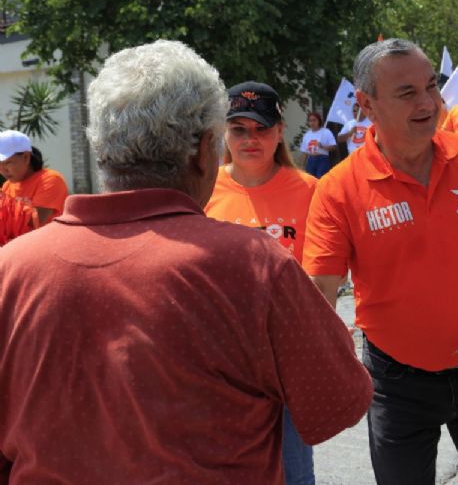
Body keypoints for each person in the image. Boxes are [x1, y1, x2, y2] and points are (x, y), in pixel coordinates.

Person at [0, 40, 372, 484]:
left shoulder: (10, 270)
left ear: (100, 147)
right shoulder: (253, 264)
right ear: (205, 150)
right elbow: (336, 401)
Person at [303, 38, 458, 485]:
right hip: (396, 383)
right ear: (366, 104)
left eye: (432, 87)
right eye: (407, 93)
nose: (428, 103)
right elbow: (319, 289)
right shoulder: (339, 188)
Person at [203, 80, 321, 484]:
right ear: (224, 133)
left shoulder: (310, 191)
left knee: (292, 472)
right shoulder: (202, 191)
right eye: (239, 129)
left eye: (261, 128)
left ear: (279, 132)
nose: (250, 139)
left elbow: (321, 278)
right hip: (220, 359)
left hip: (286, 357)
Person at [0, 130, 68, 226]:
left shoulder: (50, 179)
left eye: (7, 162)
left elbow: (34, 222)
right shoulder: (7, 186)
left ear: (26, 157)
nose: (2, 170)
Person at [298, 110, 337, 178]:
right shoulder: (307, 135)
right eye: (310, 121)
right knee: (311, 180)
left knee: (320, 180)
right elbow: (304, 152)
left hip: (322, 160)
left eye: (314, 120)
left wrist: (323, 146)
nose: (312, 123)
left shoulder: (326, 132)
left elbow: (334, 147)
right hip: (311, 160)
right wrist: (301, 166)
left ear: (319, 121)